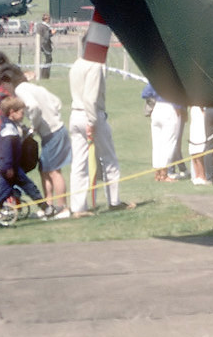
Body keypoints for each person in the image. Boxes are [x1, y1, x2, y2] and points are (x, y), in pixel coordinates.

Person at [68, 50, 126, 216]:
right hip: (91, 114)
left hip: (75, 113)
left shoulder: (77, 63)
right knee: (109, 158)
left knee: (79, 163)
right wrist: (92, 121)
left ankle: (78, 207)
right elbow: (90, 97)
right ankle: (114, 201)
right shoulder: (94, 65)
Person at [7, 65, 68, 214]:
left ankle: (63, 207)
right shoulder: (34, 87)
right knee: (44, 170)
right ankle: (48, 206)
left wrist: (34, 126)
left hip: (54, 133)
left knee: (54, 172)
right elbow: (57, 102)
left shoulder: (20, 90)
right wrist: (52, 116)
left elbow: (33, 107)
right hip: (52, 132)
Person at [0, 96, 48, 217]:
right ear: (12, 112)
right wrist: (8, 167)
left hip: (13, 168)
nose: (23, 115)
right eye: (21, 112)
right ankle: (46, 208)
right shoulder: (8, 130)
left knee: (6, 192)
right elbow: (6, 152)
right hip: (11, 169)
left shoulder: (13, 126)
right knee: (28, 188)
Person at [144, 85, 183, 181]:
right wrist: (178, 108)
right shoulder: (173, 78)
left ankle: (157, 174)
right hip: (169, 108)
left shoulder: (156, 76)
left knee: (157, 144)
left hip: (157, 108)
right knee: (168, 143)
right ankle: (164, 174)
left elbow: (146, 93)